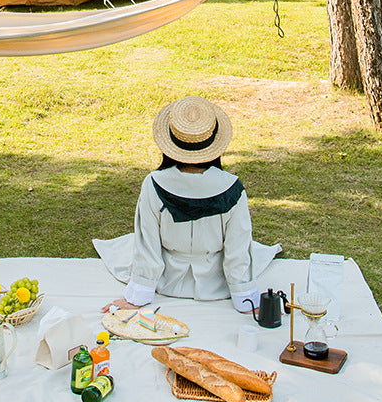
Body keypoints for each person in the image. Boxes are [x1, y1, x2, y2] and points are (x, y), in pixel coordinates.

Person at [94, 96, 281, 313]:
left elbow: (148, 244)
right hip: (216, 283)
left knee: (130, 243)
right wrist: (245, 298)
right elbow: (237, 249)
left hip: (167, 280)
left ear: (170, 144)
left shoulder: (153, 183)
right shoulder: (232, 187)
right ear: (214, 143)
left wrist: (138, 295)